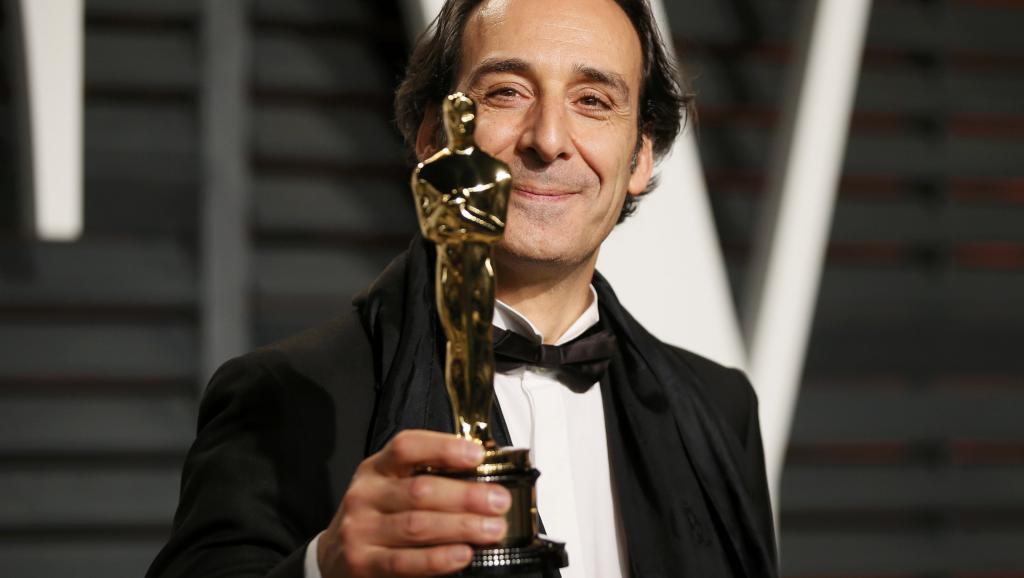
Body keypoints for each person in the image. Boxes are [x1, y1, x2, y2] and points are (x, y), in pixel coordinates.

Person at [147, 0, 778, 577]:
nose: (548, 140)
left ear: (640, 155)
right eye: (506, 92)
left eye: (592, 100)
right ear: (432, 137)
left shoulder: (719, 411)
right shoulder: (285, 396)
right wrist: (323, 567)